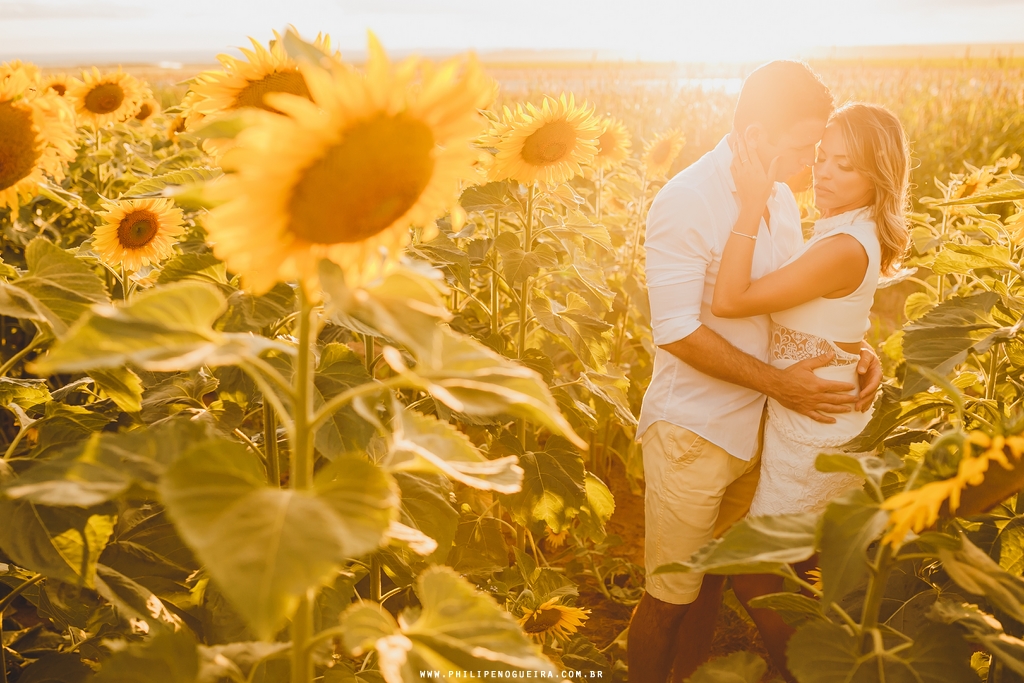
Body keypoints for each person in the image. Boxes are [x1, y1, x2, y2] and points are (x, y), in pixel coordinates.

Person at [627, 61, 884, 683]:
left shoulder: (777, 195)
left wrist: (855, 347)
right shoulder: (688, 200)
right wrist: (779, 383)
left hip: (762, 429)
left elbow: (789, 300)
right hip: (695, 433)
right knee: (669, 598)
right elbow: (677, 330)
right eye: (804, 147)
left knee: (720, 579)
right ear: (756, 135)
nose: (811, 163)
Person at [715, 102, 910, 681]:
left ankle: (802, 674)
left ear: (878, 176)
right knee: (802, 574)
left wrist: (751, 203)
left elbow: (729, 300)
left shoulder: (844, 245)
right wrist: (859, 349)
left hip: (814, 431)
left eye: (844, 165)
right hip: (813, 415)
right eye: (823, 158)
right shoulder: (844, 230)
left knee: (758, 573)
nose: (823, 172)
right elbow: (835, 316)